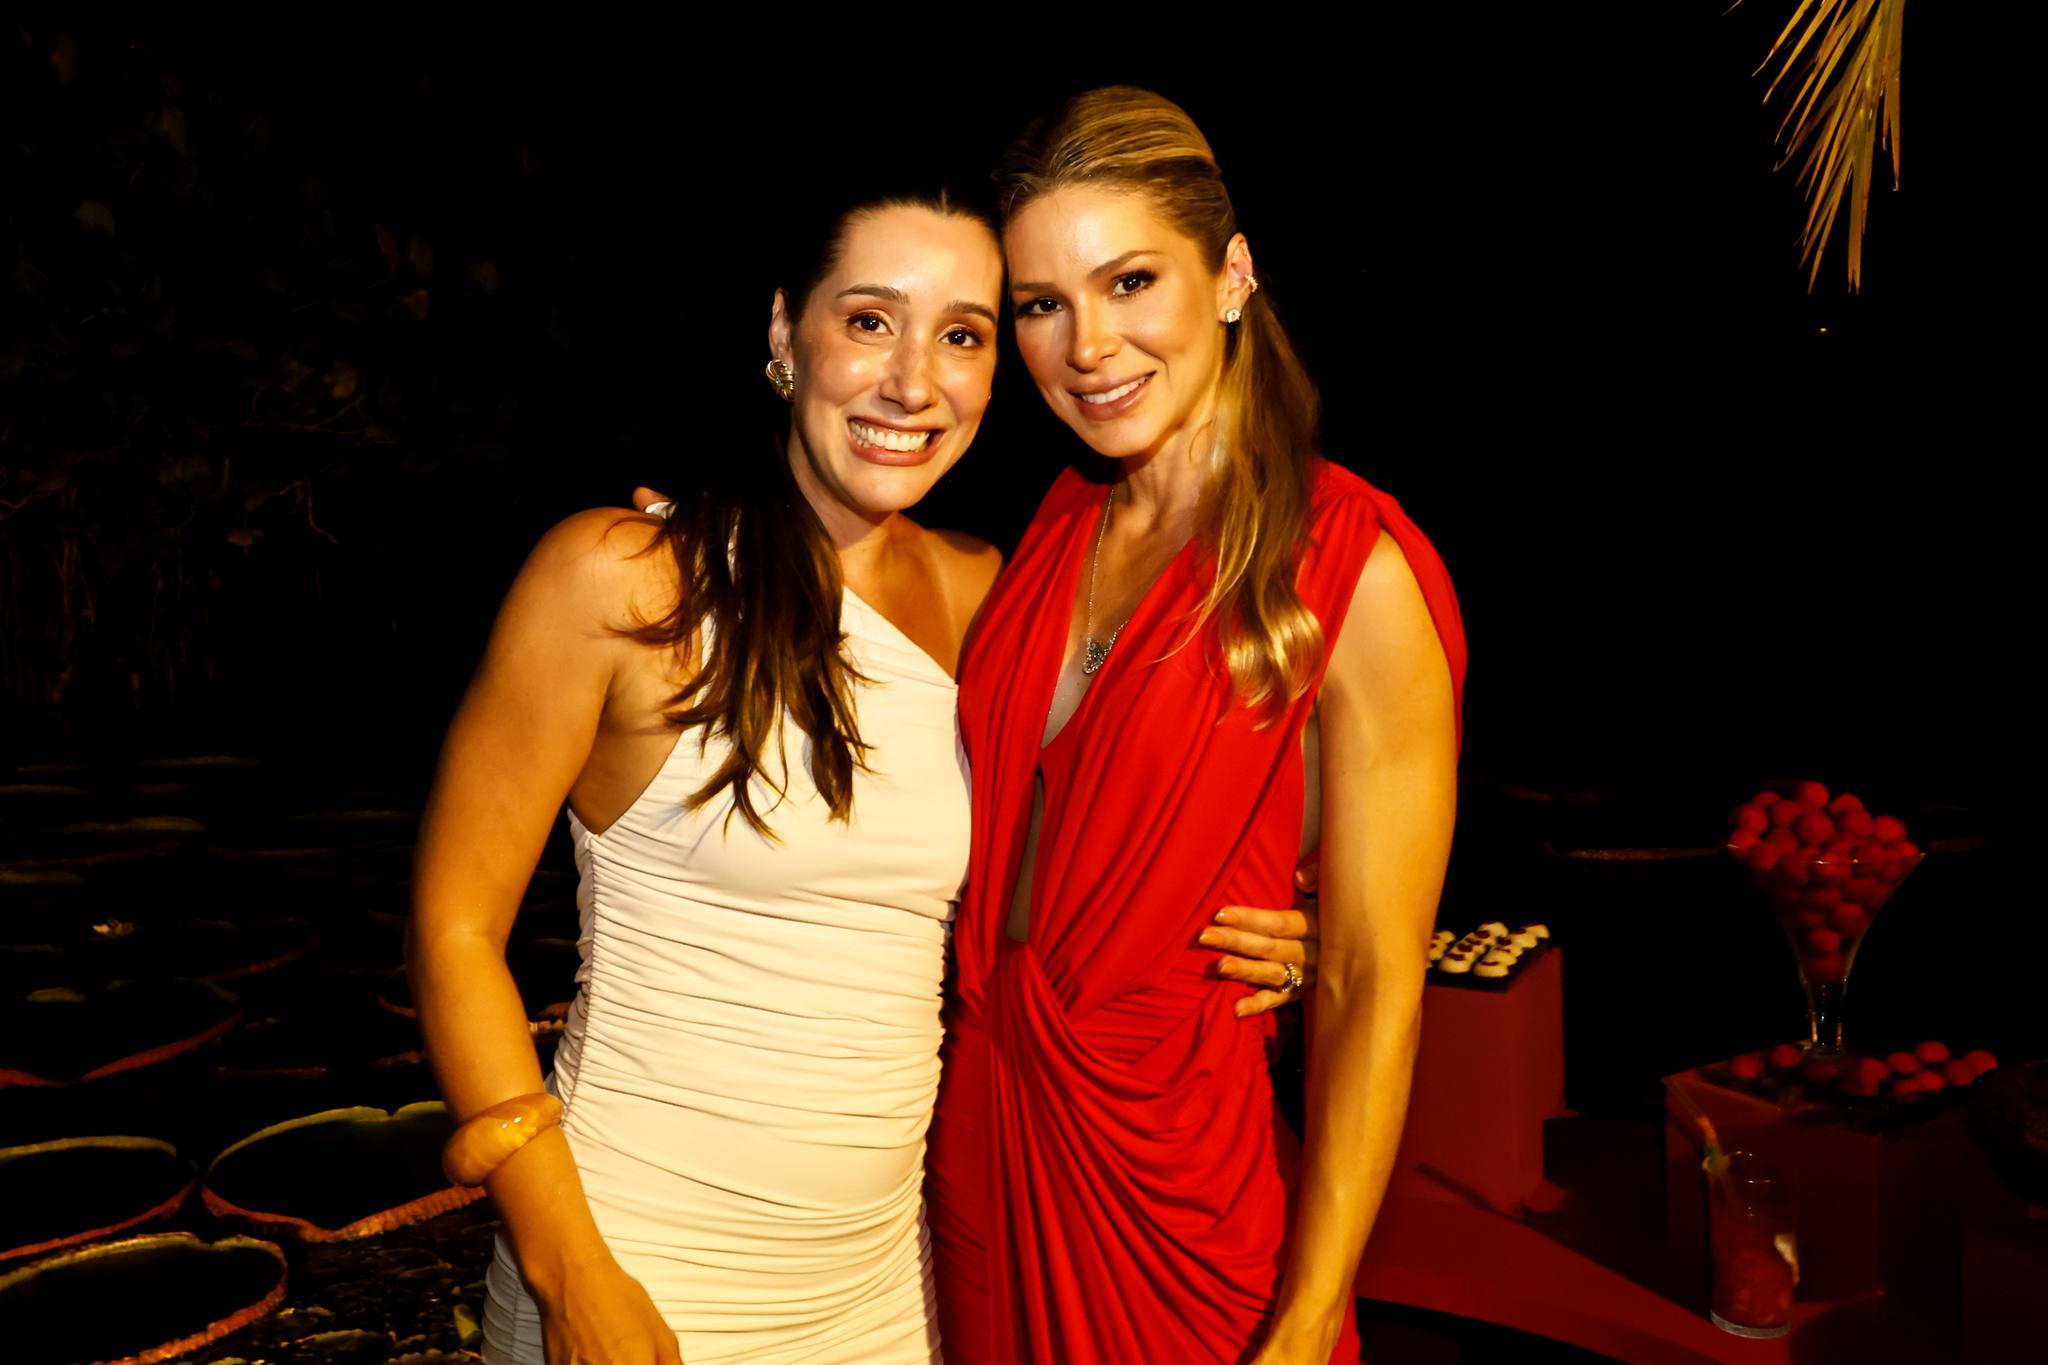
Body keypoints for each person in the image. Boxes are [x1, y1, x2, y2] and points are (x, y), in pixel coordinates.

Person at [408, 173, 1317, 1365]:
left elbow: (1081, 862)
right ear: (786, 334)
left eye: (962, 336)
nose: (911, 381)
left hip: (891, 1288)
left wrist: (1257, 926)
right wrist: (568, 1272)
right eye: (870, 320)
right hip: (637, 1262)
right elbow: (453, 928)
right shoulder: (625, 579)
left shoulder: (995, 598)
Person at [924, 87, 1466, 1365]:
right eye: (1041, 305)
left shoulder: (1351, 568)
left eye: (1129, 283)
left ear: (1229, 275)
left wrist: (1312, 1310)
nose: (1086, 346)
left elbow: (1370, 980)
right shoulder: (1053, 525)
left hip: (1174, 1183)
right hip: (981, 1142)